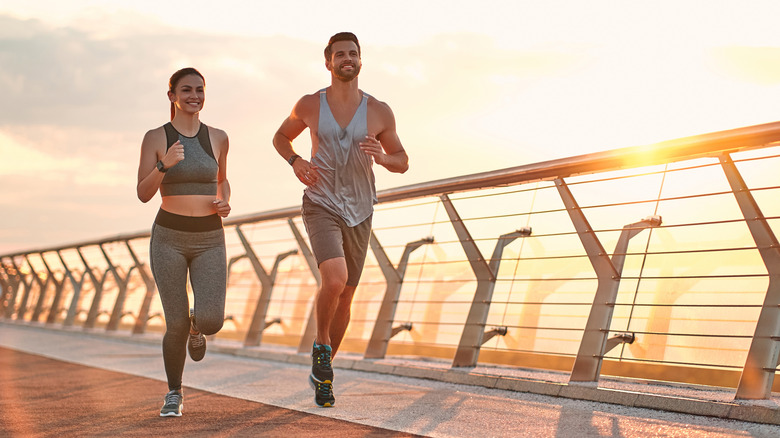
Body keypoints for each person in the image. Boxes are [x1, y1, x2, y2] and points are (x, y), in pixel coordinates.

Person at [272, 32, 409, 407]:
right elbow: (281, 137)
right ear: (328, 62)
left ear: (360, 60)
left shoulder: (379, 111)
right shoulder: (309, 105)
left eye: (353, 53)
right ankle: (321, 345)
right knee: (335, 278)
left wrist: (382, 157)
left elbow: (403, 161)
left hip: (360, 211)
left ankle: (324, 374)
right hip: (321, 203)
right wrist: (296, 161)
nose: (347, 59)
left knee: (346, 295)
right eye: (340, 54)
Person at [136, 67, 232, 417]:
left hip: (209, 237)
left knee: (212, 320)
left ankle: (198, 325)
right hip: (169, 238)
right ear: (172, 95)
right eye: (187, 90)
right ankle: (174, 392)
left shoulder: (218, 137)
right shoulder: (156, 137)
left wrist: (224, 202)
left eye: (200, 90)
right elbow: (143, 194)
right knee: (174, 323)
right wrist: (163, 166)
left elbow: (222, 180)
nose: (195, 95)